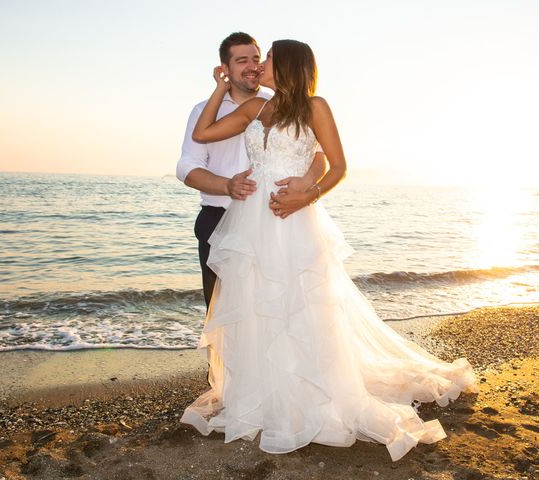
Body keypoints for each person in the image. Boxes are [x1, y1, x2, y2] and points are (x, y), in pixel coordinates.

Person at [180, 39, 478, 462]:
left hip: (292, 218)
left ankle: (311, 393)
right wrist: (220, 86)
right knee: (254, 304)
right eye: (253, 59)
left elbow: (338, 165)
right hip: (251, 221)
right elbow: (201, 134)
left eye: (266, 58)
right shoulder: (257, 109)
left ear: (287, 65)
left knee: (301, 305)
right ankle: (260, 391)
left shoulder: (315, 106)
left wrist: (310, 193)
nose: (260, 64)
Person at [176, 32, 326, 308]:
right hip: (218, 220)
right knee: (220, 315)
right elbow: (187, 167)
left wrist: (307, 188)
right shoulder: (204, 110)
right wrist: (227, 185)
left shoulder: (283, 103)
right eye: (242, 60)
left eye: (257, 58)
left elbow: (318, 156)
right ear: (225, 68)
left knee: (274, 307)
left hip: (275, 218)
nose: (254, 66)